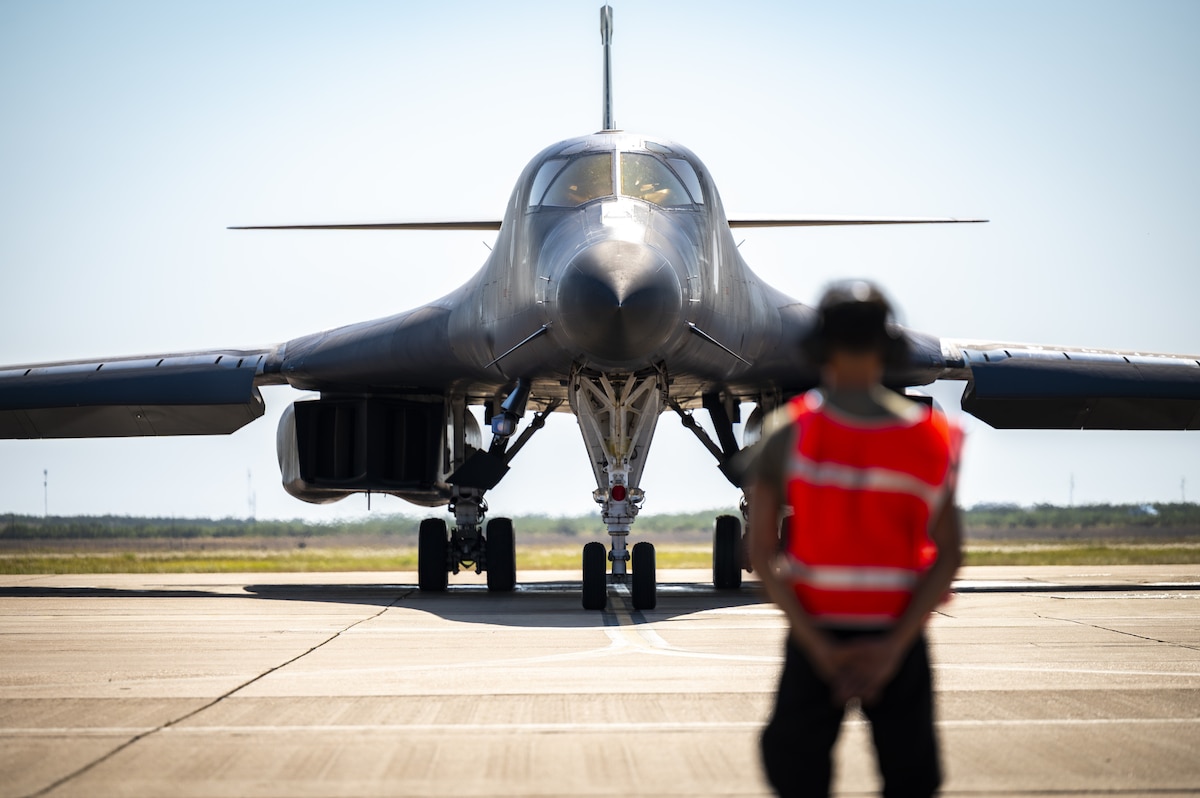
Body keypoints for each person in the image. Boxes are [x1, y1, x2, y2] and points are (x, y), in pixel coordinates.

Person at [745, 280, 964, 797]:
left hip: (816, 633)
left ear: (819, 346)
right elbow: (950, 555)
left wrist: (819, 648)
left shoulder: (787, 433)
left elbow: (759, 553)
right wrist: (891, 649)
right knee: (911, 775)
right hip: (898, 637)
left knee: (792, 766)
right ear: (888, 347)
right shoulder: (929, 437)